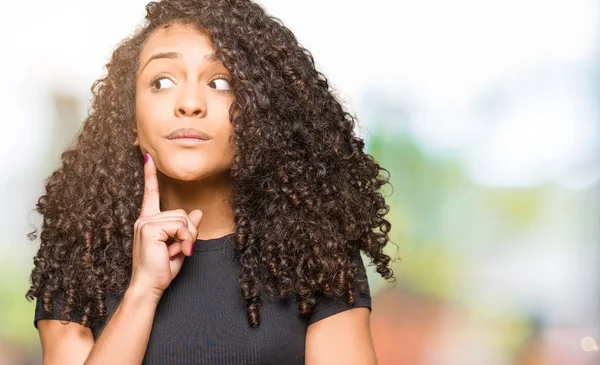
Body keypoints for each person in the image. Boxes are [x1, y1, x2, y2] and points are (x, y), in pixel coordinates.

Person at [26, 0, 394, 363]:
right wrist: (142, 291)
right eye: (162, 81)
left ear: (259, 115)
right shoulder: (80, 257)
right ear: (130, 121)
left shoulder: (317, 253)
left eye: (220, 82)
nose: (189, 103)